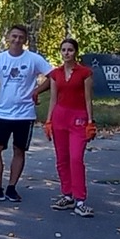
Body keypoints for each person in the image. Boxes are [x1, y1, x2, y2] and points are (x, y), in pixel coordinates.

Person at [0, 24, 51, 203]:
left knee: (19, 150)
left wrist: (37, 91)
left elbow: (53, 77)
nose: (17, 40)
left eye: (21, 37)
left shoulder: (34, 59)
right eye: (14, 36)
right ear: (8, 37)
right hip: (3, 113)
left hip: (25, 114)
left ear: (25, 40)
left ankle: (12, 188)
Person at [34, 37, 96, 215]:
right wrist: (48, 121)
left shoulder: (85, 73)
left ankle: (80, 200)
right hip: (60, 118)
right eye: (63, 50)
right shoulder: (56, 74)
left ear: (75, 52)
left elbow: (88, 99)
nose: (66, 53)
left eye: (70, 50)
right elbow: (53, 99)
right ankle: (67, 195)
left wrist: (90, 122)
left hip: (78, 118)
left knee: (76, 158)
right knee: (62, 159)